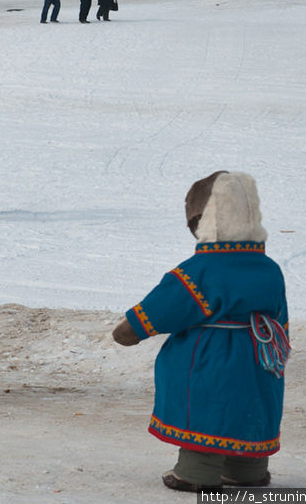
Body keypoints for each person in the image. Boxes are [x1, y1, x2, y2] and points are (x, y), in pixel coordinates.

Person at [112, 171, 289, 492]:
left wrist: (132, 328)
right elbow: (280, 317)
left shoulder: (202, 269)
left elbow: (166, 305)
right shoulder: (270, 268)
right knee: (250, 406)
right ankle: (248, 470)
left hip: (212, 358)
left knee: (209, 406)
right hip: (260, 356)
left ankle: (197, 472)